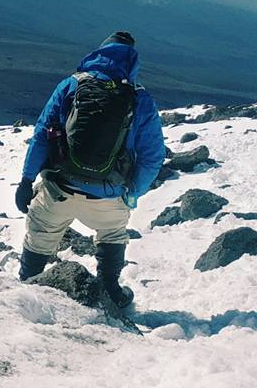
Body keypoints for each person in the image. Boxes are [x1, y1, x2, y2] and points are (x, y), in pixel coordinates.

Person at [15, 32, 165, 308]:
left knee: (39, 238)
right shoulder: (140, 99)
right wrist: (132, 192)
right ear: (132, 62)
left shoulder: (71, 85)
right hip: (107, 196)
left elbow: (41, 134)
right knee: (113, 235)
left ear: (99, 53)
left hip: (58, 187)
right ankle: (110, 293)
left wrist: (26, 179)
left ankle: (26, 292)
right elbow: (153, 157)